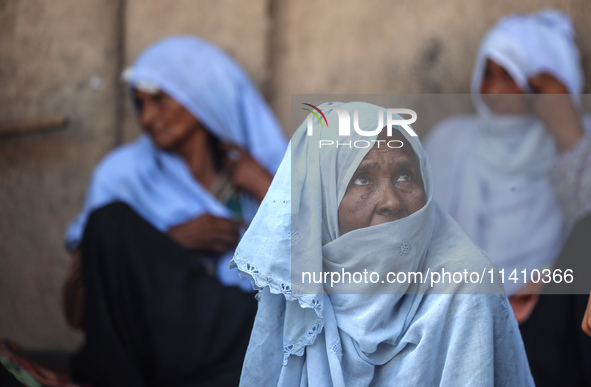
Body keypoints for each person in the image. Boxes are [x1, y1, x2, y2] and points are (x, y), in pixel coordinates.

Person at [231, 102, 534, 385]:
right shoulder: (301, 292)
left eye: (405, 175)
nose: (391, 201)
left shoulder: (463, 285)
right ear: (322, 202)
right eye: (362, 179)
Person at [61, 36, 287, 386]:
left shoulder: (259, 170)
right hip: (155, 343)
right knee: (109, 223)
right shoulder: (122, 174)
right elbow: (82, 297)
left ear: (202, 94)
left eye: (159, 100)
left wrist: (268, 189)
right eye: (140, 104)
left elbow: (319, 272)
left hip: (238, 338)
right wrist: (173, 243)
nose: (147, 117)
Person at [424, 10, 591, 386]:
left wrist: (567, 135)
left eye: (513, 77)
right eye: (488, 74)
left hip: (550, 339)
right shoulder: (450, 143)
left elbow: (588, 235)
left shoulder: (581, 145)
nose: (495, 92)